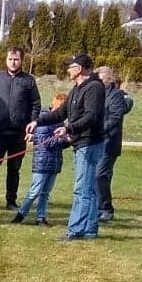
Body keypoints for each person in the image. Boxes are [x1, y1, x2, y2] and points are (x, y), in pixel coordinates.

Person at [33, 53, 106, 241]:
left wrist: (68, 128)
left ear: (80, 68)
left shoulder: (94, 88)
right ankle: (89, 230)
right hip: (81, 144)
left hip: (89, 144)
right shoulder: (76, 89)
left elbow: (92, 117)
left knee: (81, 189)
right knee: (87, 188)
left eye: (70, 66)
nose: (67, 70)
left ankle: (75, 230)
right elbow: (60, 113)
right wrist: (38, 122)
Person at [0, 47, 42, 211]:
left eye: (16, 59)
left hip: (18, 133)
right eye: (10, 59)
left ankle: (11, 201)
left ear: (21, 61)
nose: (13, 62)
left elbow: (35, 104)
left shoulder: (29, 80)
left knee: (14, 169)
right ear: (6, 60)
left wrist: (32, 124)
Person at [11, 93, 69, 226]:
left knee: (45, 193)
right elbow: (44, 142)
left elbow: (60, 143)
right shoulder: (44, 119)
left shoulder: (60, 122)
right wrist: (62, 139)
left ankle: (40, 217)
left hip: (54, 162)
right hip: (42, 161)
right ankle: (21, 214)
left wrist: (68, 141)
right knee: (35, 191)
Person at [96, 65, 134, 223]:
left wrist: (99, 130)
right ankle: (98, 207)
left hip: (109, 142)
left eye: (100, 79)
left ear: (109, 79)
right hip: (96, 142)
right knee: (97, 176)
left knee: (100, 174)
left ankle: (106, 209)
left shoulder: (116, 95)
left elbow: (115, 117)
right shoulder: (97, 94)